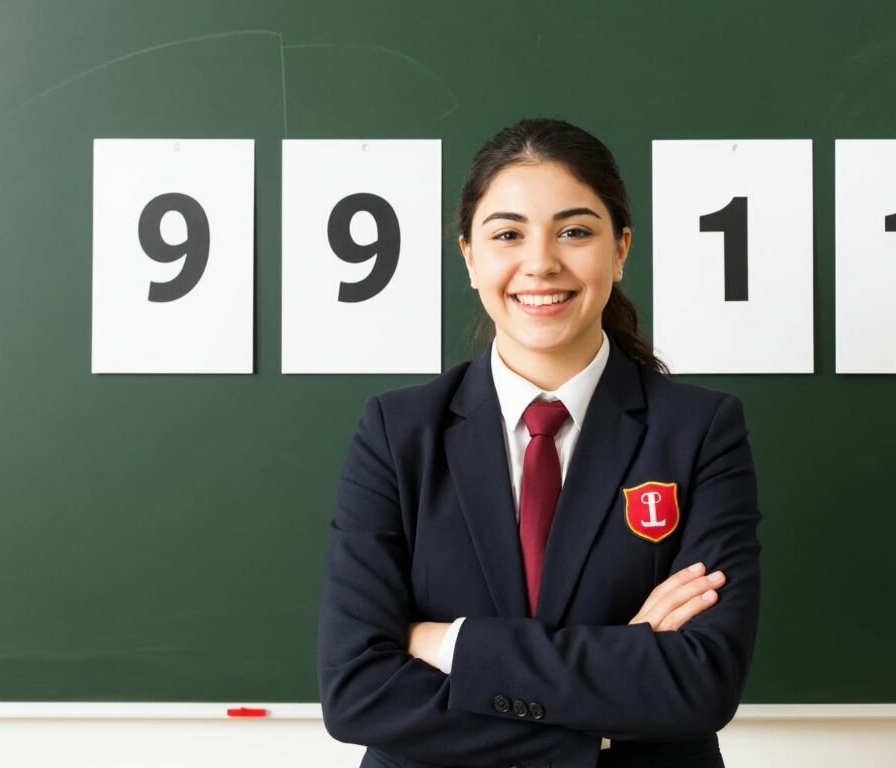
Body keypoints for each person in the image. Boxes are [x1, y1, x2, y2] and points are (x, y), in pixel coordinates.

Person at [318, 118, 761, 768]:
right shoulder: (397, 433)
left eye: (575, 231)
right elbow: (357, 692)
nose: (541, 262)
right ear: (470, 257)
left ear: (620, 249)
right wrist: (615, 683)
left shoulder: (699, 431)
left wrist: (451, 646)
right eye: (507, 235)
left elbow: (701, 682)